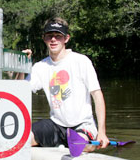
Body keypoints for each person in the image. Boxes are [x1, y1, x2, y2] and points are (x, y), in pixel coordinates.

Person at [18, 17, 109, 152]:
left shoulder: (81, 61)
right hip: (55, 124)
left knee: (79, 145)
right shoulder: (40, 66)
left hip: (82, 124)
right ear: (44, 39)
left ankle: (87, 142)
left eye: (58, 36)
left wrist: (102, 132)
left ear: (66, 38)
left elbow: (97, 96)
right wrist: (22, 67)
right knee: (19, 141)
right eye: (50, 36)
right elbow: (20, 90)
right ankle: (58, 144)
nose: (53, 39)